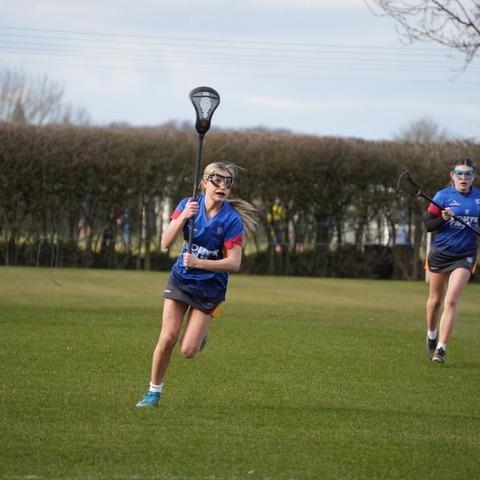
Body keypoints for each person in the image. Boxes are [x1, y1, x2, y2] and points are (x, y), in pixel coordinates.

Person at [136, 162, 258, 407]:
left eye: (227, 183)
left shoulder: (231, 220)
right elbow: (165, 242)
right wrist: (183, 217)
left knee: (187, 351)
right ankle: (153, 393)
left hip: (210, 288)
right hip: (181, 279)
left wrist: (199, 263)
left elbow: (234, 263)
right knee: (168, 338)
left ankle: (199, 337)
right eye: (217, 181)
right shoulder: (187, 204)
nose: (223, 187)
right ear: (204, 183)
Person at [424, 157, 480, 364]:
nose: (463, 177)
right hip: (440, 253)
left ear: (474, 177)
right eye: (459, 174)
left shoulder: (479, 198)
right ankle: (431, 335)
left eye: (468, 174)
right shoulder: (442, 196)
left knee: (451, 300)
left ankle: (441, 348)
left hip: (465, 254)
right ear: (452, 175)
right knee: (435, 301)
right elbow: (428, 226)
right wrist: (443, 218)